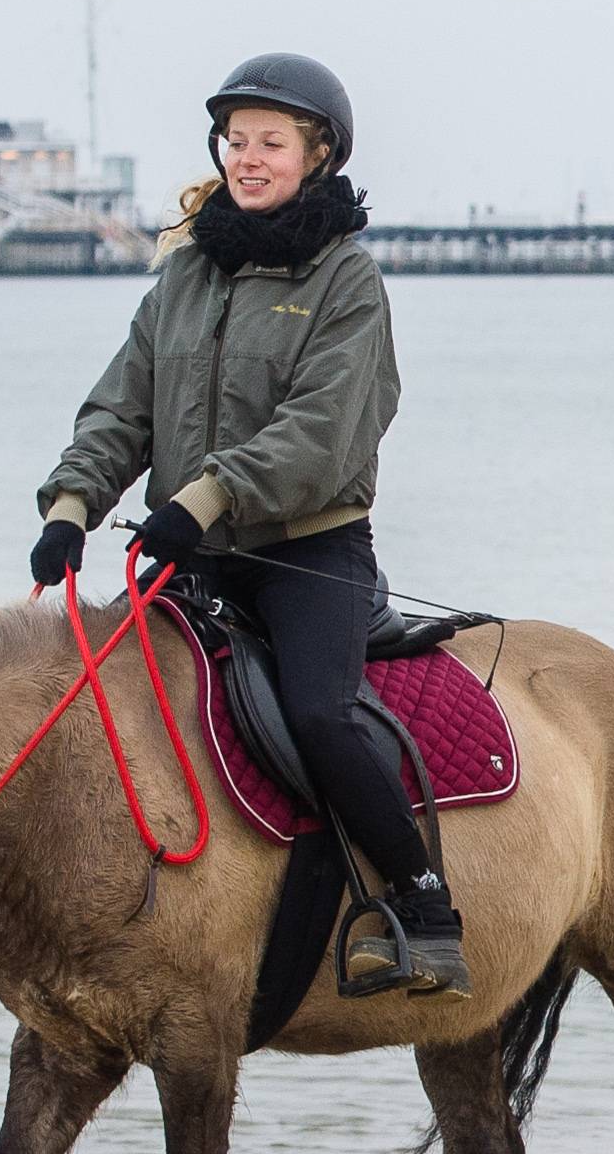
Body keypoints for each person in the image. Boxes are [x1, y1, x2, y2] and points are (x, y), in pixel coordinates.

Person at [34, 52, 464, 998]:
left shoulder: (347, 281)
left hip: (310, 554)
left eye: (271, 141)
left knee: (319, 712)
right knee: (89, 697)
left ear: (317, 155)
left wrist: (204, 499)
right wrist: (72, 505)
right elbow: (121, 409)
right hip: (192, 554)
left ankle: (425, 903)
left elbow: (321, 427)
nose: (248, 157)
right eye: (236, 140)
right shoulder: (186, 277)